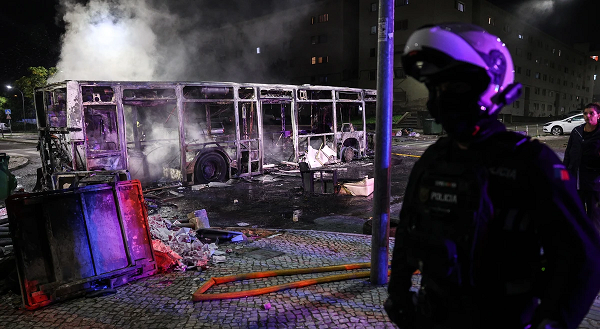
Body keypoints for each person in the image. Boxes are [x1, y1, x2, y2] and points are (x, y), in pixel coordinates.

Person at [384, 23, 600, 329]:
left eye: (454, 87)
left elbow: (584, 259)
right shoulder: (434, 159)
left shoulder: (530, 163)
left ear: (487, 87)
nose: (440, 99)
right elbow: (407, 230)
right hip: (434, 315)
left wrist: (550, 323)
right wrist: (399, 294)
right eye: (435, 88)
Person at [564, 102, 600, 232]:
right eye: (585, 113)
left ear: (598, 116)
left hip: (594, 183)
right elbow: (568, 154)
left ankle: (593, 244)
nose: (587, 116)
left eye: (591, 113)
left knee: (594, 215)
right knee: (576, 212)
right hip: (575, 179)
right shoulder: (577, 131)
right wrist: (564, 174)